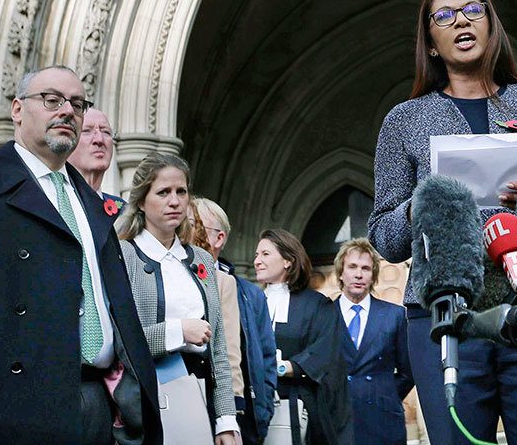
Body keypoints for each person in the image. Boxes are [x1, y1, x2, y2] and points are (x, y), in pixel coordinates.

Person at [367, 0, 517, 445]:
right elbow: (384, 236)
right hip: (446, 317)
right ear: (431, 43)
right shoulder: (404, 120)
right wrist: (426, 204)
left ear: (490, 25)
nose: (461, 21)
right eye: (444, 16)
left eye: (472, 10)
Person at [0, 64, 161, 445]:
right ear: (17, 109)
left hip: (98, 407)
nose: (67, 111)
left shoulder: (94, 205)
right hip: (6, 411)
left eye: (77, 104)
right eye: (52, 100)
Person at [116, 155, 238, 444]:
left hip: (201, 398)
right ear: (141, 201)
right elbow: (120, 341)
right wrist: (178, 332)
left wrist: (226, 420)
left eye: (181, 191)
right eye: (163, 192)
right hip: (147, 399)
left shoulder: (202, 259)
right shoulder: (124, 255)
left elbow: (218, 348)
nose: (174, 201)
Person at [255, 228, 351, 445]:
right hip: (256, 405)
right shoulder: (249, 301)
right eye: (256, 255)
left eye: (265, 254)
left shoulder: (317, 304)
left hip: (300, 406)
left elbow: (324, 352)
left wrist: (282, 368)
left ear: (288, 261)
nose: (257, 261)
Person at [195, 197, 277, 444]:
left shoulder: (249, 294)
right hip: (191, 404)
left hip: (243, 415)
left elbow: (266, 356)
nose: (187, 232)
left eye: (197, 226)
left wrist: (263, 408)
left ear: (219, 238)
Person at [333, 238, 412, 445]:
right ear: (341, 272)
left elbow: (408, 372)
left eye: (366, 268)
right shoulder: (324, 315)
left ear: (373, 275)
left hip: (383, 421)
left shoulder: (394, 315)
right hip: (337, 420)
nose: (358, 274)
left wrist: (384, 394)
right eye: (352, 267)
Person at [68, 108, 126, 213]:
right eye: (86, 131)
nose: (99, 139)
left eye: (106, 132)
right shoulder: (52, 202)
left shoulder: (123, 210)